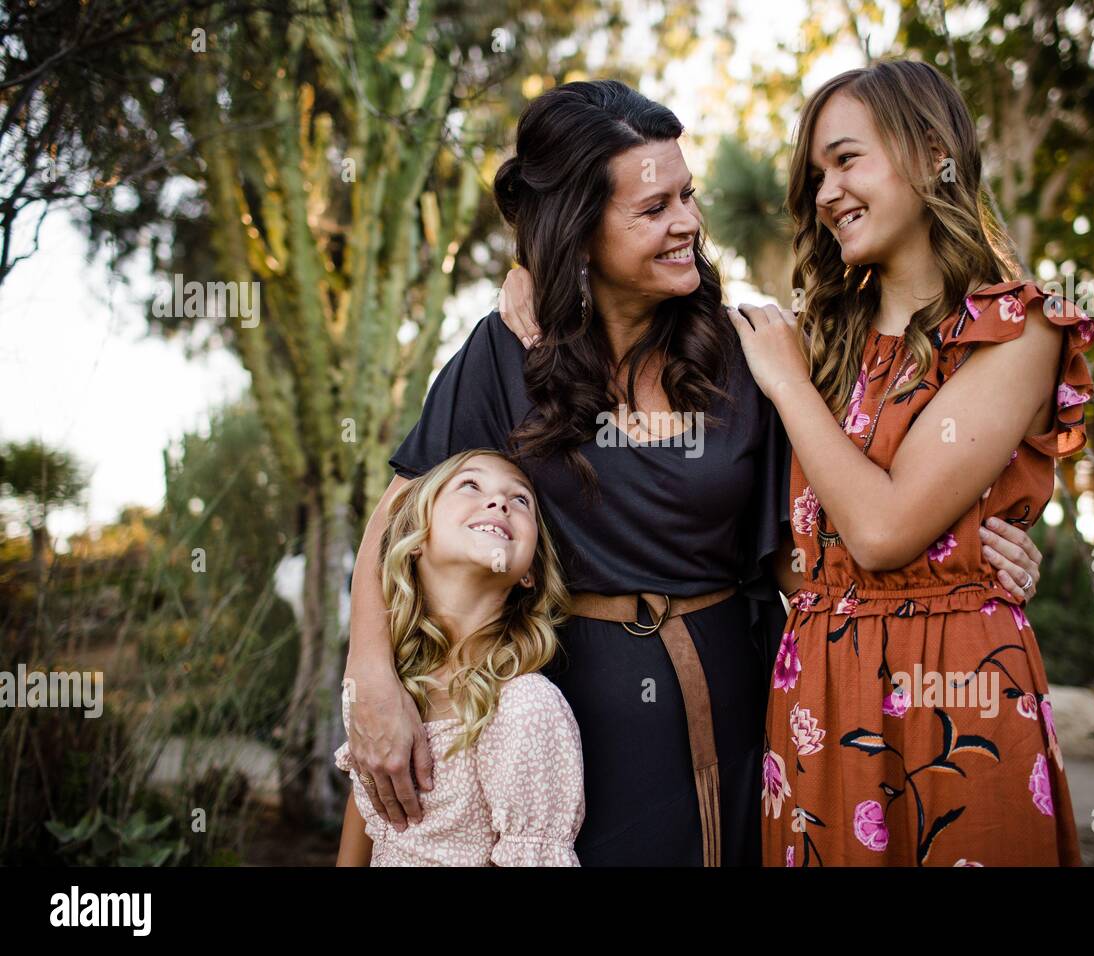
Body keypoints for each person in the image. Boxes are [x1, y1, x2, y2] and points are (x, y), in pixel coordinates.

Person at [344, 78, 1045, 866]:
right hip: (566, 722)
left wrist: (961, 552)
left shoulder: (750, 353)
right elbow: (396, 520)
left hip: (746, 712)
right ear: (577, 230)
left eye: (687, 195)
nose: (687, 224)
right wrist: (370, 680)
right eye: (653, 210)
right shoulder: (509, 350)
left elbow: (803, 549)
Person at [728, 61, 1092, 866]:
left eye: (847, 159)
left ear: (933, 154)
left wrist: (788, 385)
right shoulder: (818, 342)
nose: (825, 193)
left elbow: (885, 530)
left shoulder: (1015, 331)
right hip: (819, 694)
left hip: (953, 691)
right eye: (815, 174)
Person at [335, 450, 583, 866]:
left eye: (520, 499)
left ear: (529, 573)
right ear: (415, 538)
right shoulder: (386, 689)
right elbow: (365, 817)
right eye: (471, 485)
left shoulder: (524, 708)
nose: (499, 502)